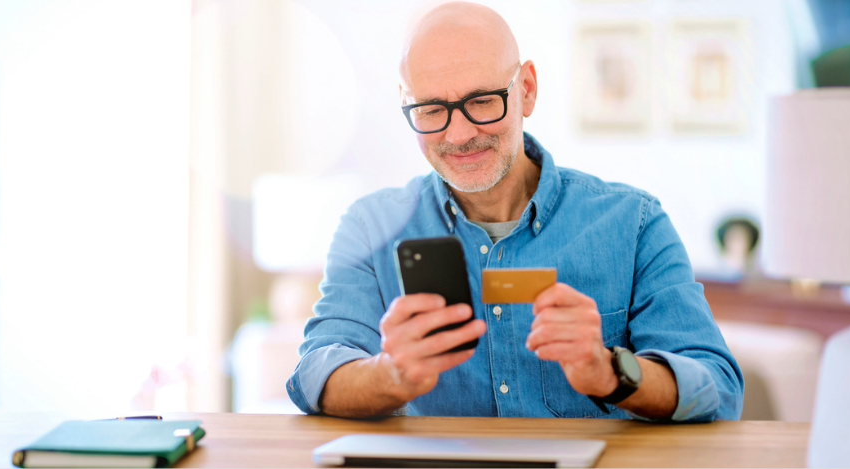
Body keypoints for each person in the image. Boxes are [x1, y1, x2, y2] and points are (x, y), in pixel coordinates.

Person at [286, 2, 743, 422]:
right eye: (430, 110)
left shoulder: (634, 223)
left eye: (482, 101)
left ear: (526, 89)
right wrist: (390, 375)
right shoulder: (369, 229)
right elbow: (314, 374)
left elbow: (718, 391)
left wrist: (611, 373)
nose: (460, 134)